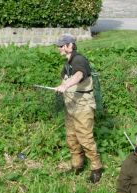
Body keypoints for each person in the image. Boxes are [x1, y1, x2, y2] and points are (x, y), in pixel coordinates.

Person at [55, 33, 103, 183]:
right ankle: (77, 165)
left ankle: (96, 168)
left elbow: (79, 75)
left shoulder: (79, 59)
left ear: (70, 45)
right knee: (71, 138)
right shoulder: (67, 63)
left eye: (62, 45)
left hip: (83, 106)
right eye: (59, 46)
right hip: (71, 106)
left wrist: (65, 85)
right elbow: (68, 78)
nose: (60, 48)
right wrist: (60, 88)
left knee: (85, 138)